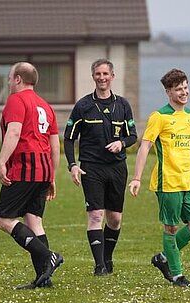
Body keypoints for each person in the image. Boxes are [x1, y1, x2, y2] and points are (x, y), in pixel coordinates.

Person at [128, 68, 190, 287]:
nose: (184, 92)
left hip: (186, 181)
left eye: (185, 87)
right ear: (168, 92)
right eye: (178, 89)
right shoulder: (159, 116)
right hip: (167, 182)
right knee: (170, 228)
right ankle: (177, 275)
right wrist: (136, 178)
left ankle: (163, 258)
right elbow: (144, 147)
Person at [64, 58, 137, 276]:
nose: (102, 78)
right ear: (93, 76)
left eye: (106, 74)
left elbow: (133, 135)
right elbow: (68, 138)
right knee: (96, 215)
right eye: (98, 74)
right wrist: (73, 166)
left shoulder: (122, 105)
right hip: (91, 168)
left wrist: (121, 143)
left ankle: (107, 257)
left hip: (116, 168)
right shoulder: (83, 106)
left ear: (112, 77)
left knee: (114, 218)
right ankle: (99, 266)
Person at [0, 62, 63, 289]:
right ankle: (44, 279)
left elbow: (14, 131)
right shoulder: (46, 105)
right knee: (34, 221)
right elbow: (55, 145)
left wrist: (2, 161)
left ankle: (48, 257)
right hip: (43, 170)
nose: (7, 81)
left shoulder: (16, 100)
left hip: (25, 168)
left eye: (9, 77)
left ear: (17, 79)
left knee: (3, 219)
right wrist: (52, 176)